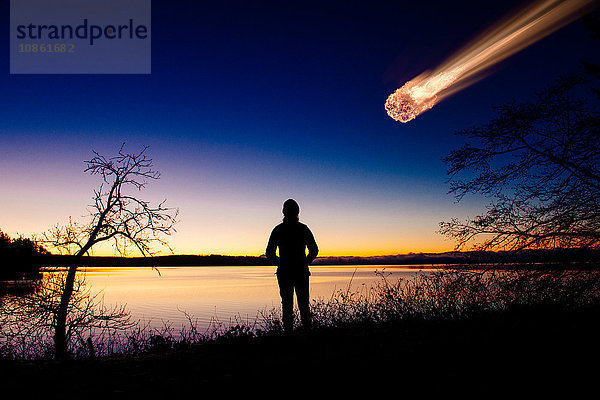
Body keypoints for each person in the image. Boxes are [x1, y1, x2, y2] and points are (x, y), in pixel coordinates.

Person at [266, 199, 318, 332]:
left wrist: (280, 263)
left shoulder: (278, 229)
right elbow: (314, 250)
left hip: (286, 272)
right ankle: (306, 333)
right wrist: (304, 262)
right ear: (297, 212)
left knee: (287, 306)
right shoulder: (303, 229)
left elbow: (269, 253)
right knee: (303, 305)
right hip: (299, 271)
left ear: (284, 212)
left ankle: (289, 335)